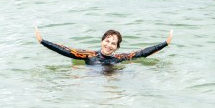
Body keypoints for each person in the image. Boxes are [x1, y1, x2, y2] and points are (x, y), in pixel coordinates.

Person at [35, 27, 173, 65]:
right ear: (102, 41)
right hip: (92, 78)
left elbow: (142, 53)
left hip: (112, 76)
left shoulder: (120, 57)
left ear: (117, 47)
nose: (109, 45)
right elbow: (66, 51)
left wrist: (165, 43)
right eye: (107, 41)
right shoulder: (89, 55)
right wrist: (43, 41)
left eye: (113, 43)